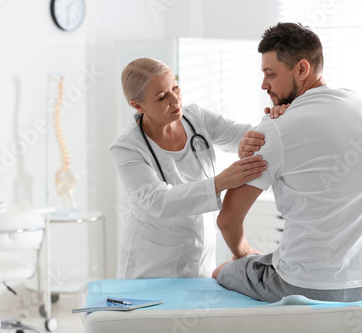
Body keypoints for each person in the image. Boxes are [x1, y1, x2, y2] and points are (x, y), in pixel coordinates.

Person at [212, 22, 362, 303]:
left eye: (271, 74)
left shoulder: (277, 128)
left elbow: (227, 220)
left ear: (302, 69)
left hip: (303, 285)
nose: (264, 84)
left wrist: (244, 253)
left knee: (222, 270)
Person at [110, 58, 276, 279]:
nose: (175, 99)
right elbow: (158, 201)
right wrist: (221, 182)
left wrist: (277, 119)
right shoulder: (126, 147)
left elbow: (246, 137)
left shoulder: (195, 117)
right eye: (162, 97)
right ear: (138, 105)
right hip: (151, 264)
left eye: (175, 87)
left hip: (200, 253)